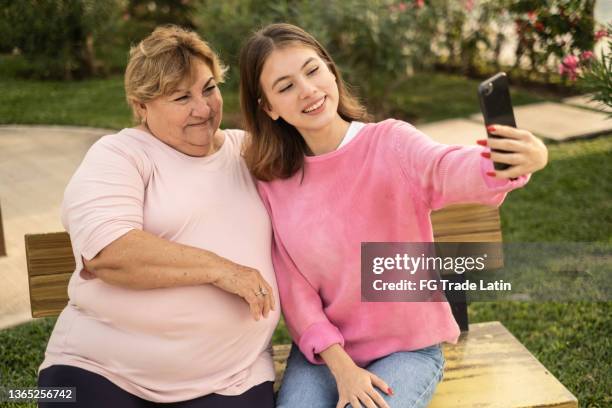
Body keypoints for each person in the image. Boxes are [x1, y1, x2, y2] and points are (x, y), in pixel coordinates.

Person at [239, 23, 548, 408]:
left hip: (408, 351)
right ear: (268, 108)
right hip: (324, 356)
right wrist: (342, 367)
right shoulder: (274, 183)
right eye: (285, 86)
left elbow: (446, 169)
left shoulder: (390, 143)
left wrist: (509, 163)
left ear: (331, 71)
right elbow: (296, 293)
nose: (308, 90)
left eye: (313, 69)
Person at [37, 25, 279, 408]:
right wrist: (223, 270)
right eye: (182, 97)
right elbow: (108, 255)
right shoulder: (120, 155)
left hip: (233, 378)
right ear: (141, 105)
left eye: (209, 88)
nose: (203, 108)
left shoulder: (249, 152)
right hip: (102, 370)